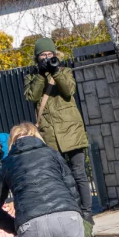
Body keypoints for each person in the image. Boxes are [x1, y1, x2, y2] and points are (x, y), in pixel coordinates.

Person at [24, 37, 93, 220]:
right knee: (62, 177)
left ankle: (87, 213)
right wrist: (40, 75)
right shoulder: (31, 77)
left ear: (55, 54)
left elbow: (68, 90)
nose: (46, 58)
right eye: (42, 55)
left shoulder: (65, 71)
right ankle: (72, 211)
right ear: (36, 58)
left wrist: (56, 71)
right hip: (50, 136)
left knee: (79, 174)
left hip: (72, 132)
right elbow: (32, 97)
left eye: (49, 54)